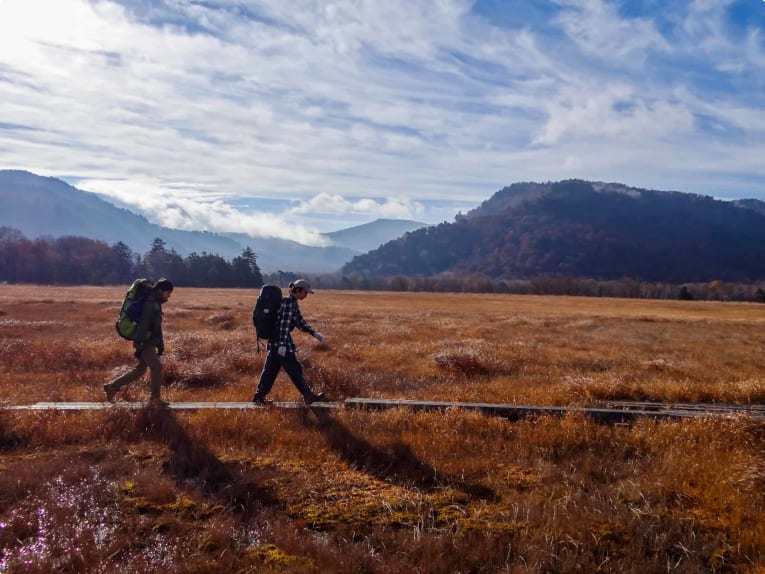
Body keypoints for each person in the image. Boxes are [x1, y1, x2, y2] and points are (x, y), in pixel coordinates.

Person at [252, 279, 326, 405]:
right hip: (281, 344)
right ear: (298, 290)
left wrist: (313, 333)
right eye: (305, 292)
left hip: (276, 343)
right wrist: (282, 345)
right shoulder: (288, 304)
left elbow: (299, 322)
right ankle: (307, 395)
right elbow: (283, 325)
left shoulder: (292, 303)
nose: (306, 295)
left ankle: (259, 396)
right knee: (295, 369)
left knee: (269, 371)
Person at [104, 278, 174, 403]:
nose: (169, 295)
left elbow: (156, 328)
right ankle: (155, 399)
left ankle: (112, 387)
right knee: (156, 367)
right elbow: (143, 325)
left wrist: (160, 345)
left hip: (149, 341)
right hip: (145, 341)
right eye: (168, 292)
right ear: (160, 290)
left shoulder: (155, 303)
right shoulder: (150, 304)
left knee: (140, 370)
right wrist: (140, 344)